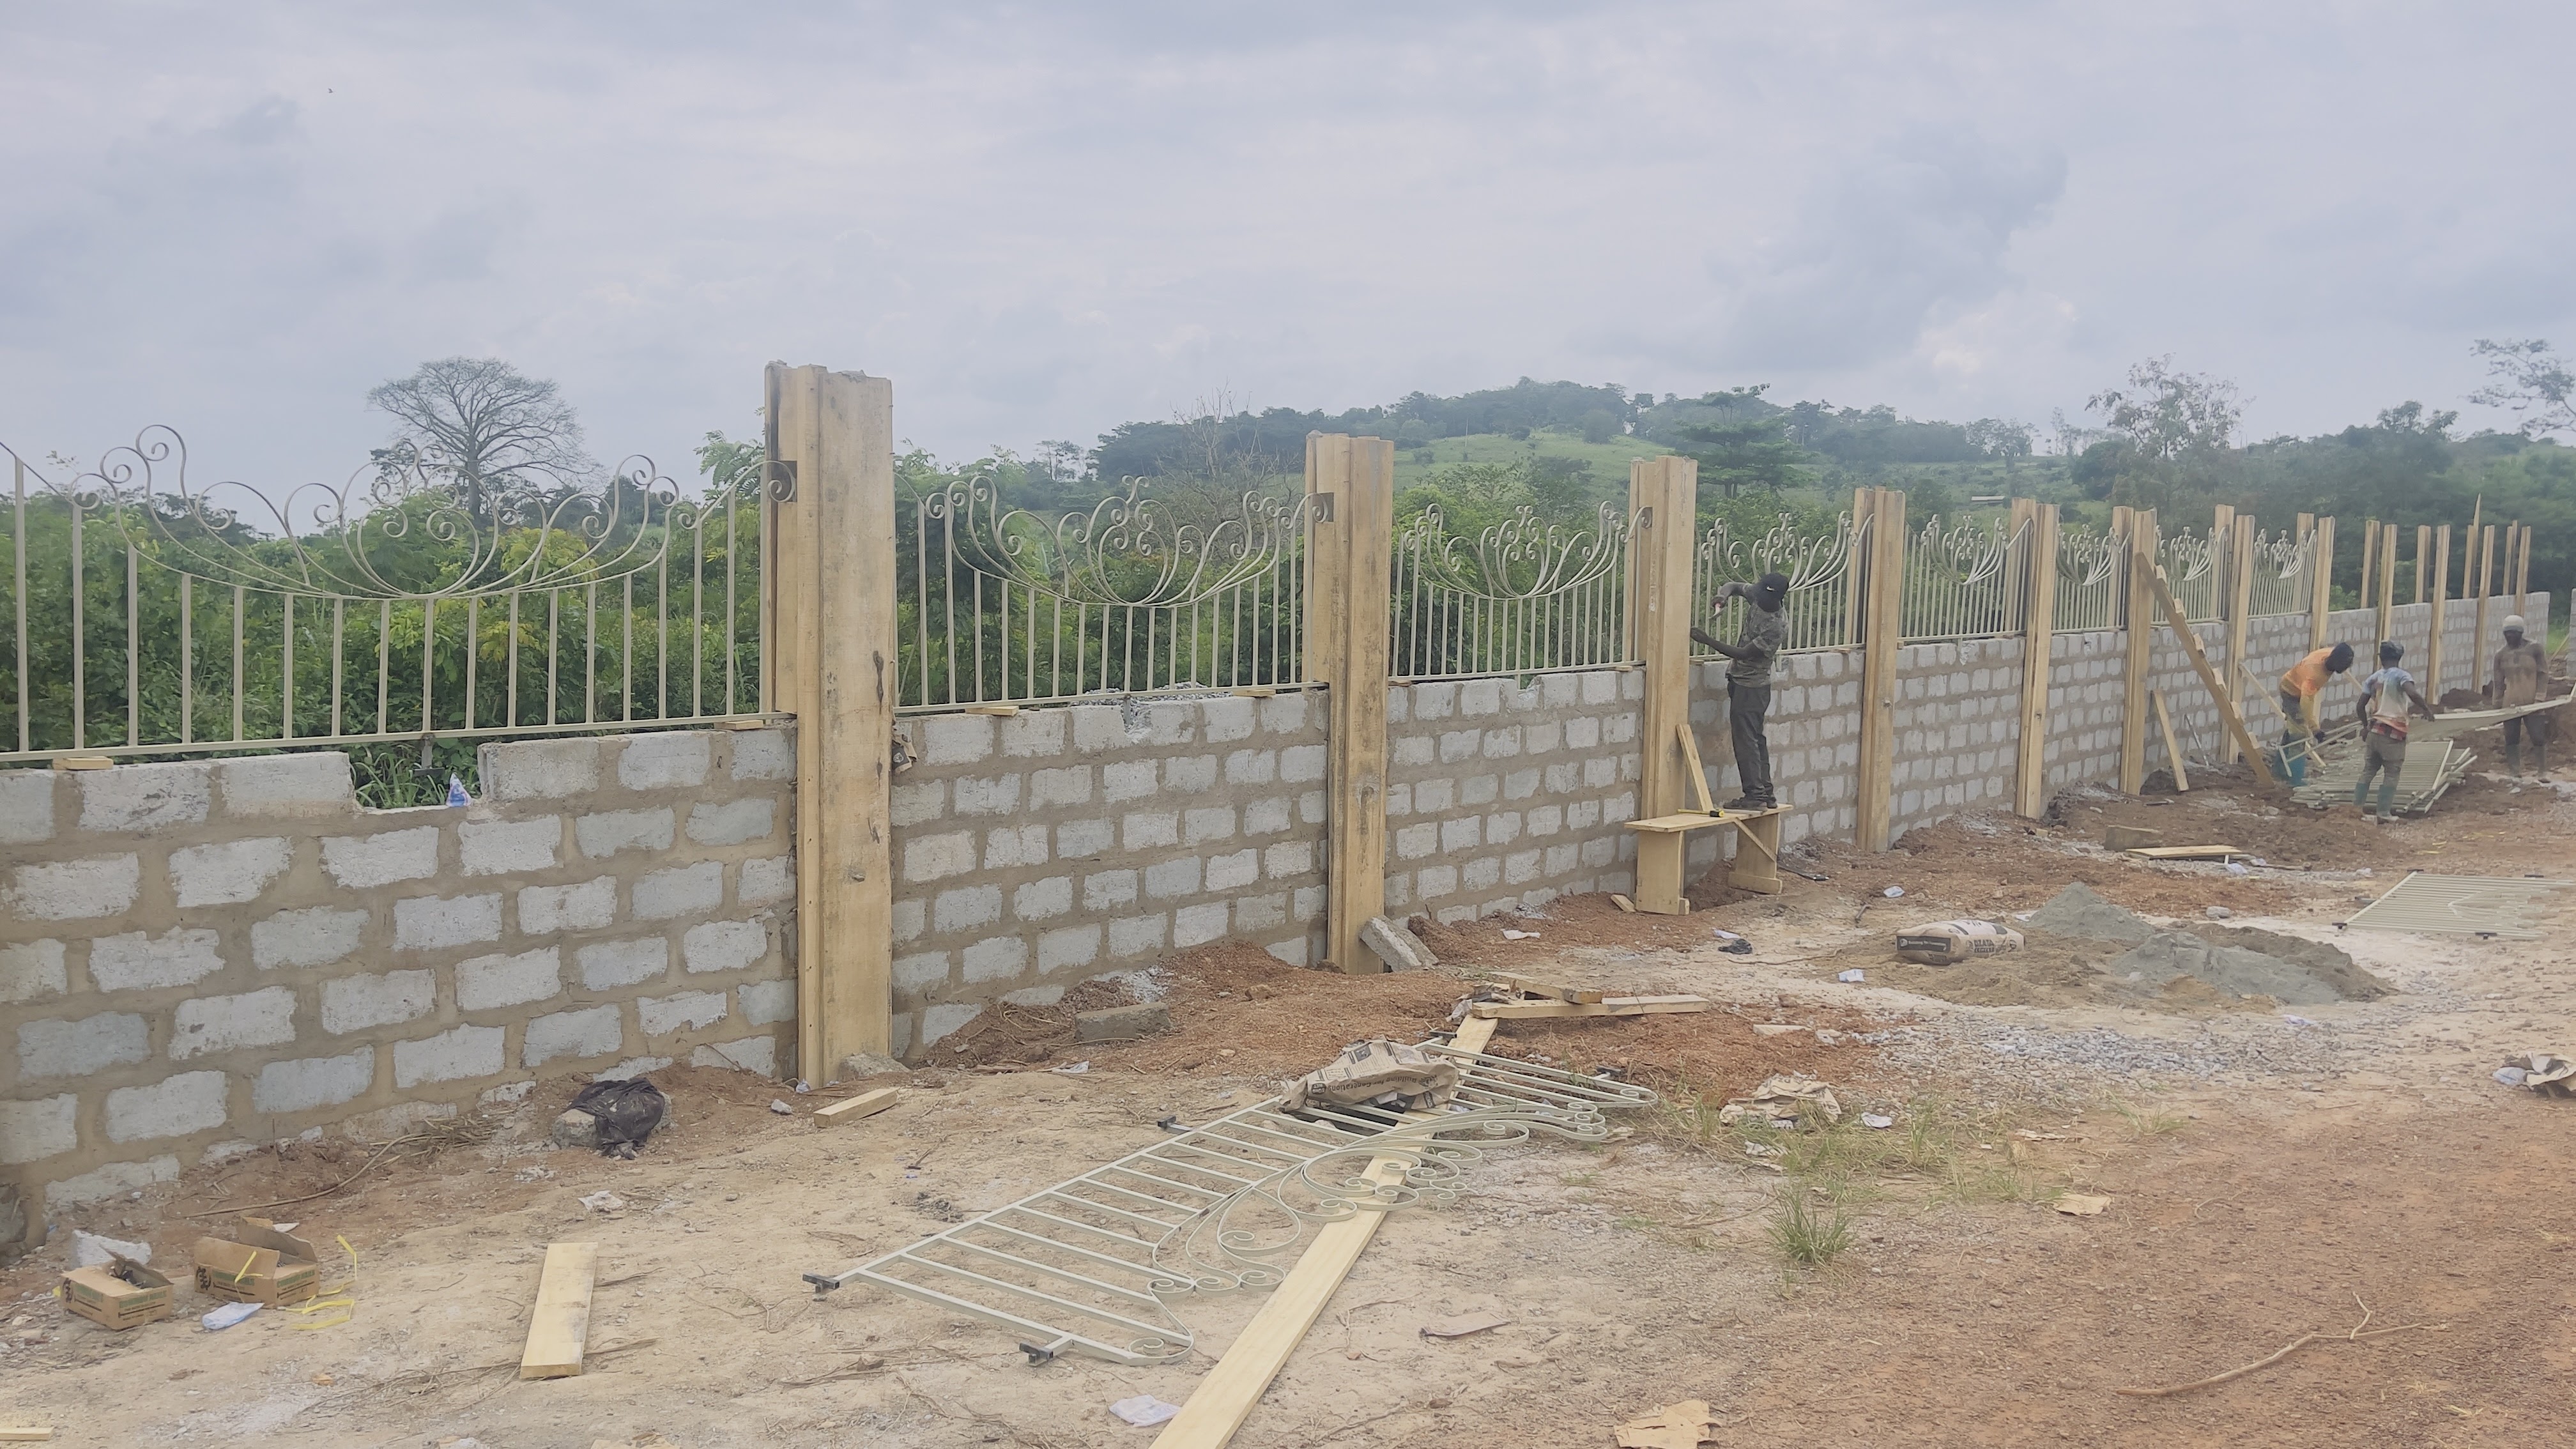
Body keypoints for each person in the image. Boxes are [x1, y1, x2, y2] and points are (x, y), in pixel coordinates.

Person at [1690, 571, 1789, 811]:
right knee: (1755, 739)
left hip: (1752, 688)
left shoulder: (1776, 626)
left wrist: (1707, 640)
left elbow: (1743, 654)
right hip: (1742, 681)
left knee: (1746, 741)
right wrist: (1722, 596)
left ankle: (1755, 795)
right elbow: (1733, 586)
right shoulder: (1760, 594)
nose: (1756, 595)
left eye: (1761, 594)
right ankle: (1765, 794)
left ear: (1775, 598)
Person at [2353, 640, 2435, 823]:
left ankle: (2356, 810)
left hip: (2374, 731)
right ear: (2399, 657)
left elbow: (2360, 706)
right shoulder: (2402, 676)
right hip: (2392, 732)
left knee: (2369, 770)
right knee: (2392, 772)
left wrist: (2365, 727)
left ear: (2380, 657)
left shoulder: (2373, 679)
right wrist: (2427, 710)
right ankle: (2383, 813)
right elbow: (2412, 693)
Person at [2275, 641, 2355, 785]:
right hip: (2291, 693)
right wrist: (2315, 729)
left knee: (2294, 729)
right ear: (2337, 662)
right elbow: (2306, 704)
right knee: (2300, 736)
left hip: (2297, 687)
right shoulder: (2314, 676)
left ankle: (2280, 770)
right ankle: (2294, 780)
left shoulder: (2329, 654)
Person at [2491, 614, 2554, 778]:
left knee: (2538, 737)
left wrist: (2540, 697)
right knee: (2511, 737)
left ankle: (2542, 771)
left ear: (2520, 633)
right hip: (2510, 703)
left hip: (2533, 702)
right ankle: (2514, 771)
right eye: (2507, 633)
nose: (2510, 636)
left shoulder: (2534, 649)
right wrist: (2497, 704)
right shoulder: (2501, 655)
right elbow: (2498, 682)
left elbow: (2543, 674)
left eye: (2513, 633)